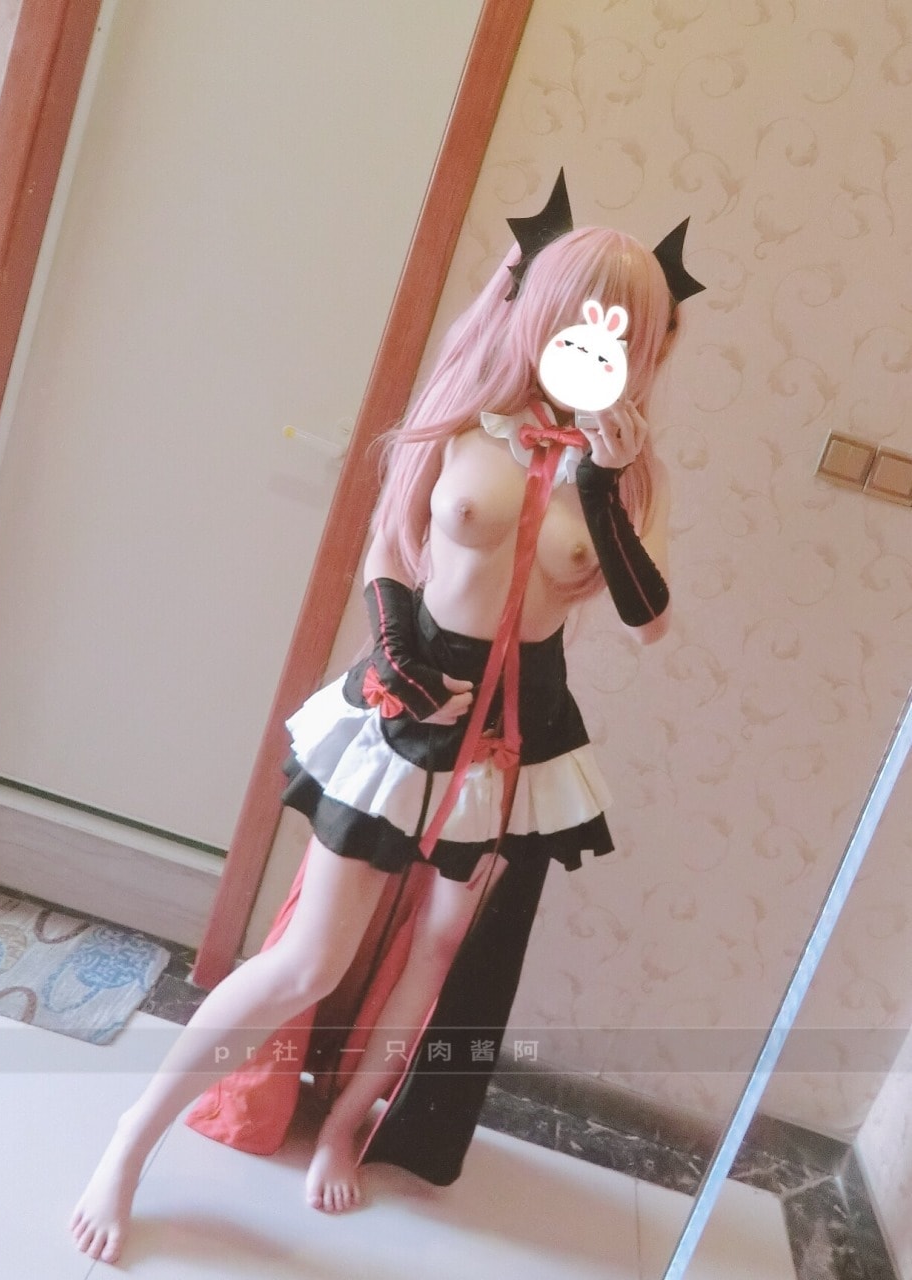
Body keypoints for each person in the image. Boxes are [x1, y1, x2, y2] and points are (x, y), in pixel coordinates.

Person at [70, 179, 701, 1265]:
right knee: (310, 958)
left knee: (438, 948)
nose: (598, 340)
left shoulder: (633, 480)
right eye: (580, 315)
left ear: (644, 345)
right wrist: (397, 653)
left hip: (520, 736)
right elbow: (387, 546)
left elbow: (648, 620)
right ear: (538, 312)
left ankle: (348, 1126)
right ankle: (132, 1138)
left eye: (623, 328)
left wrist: (601, 484)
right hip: (409, 704)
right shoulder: (465, 420)